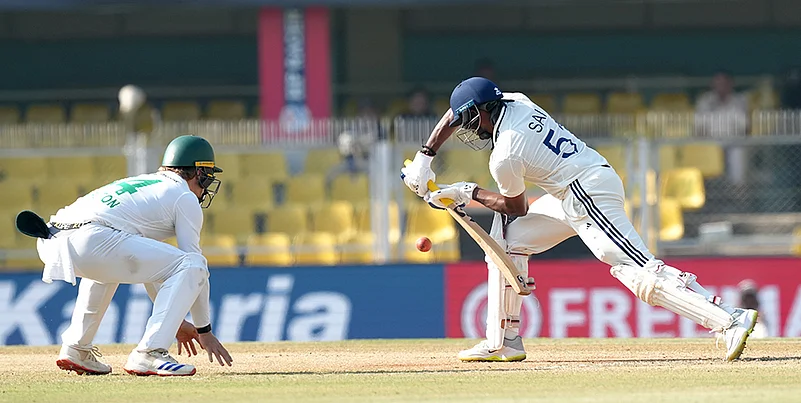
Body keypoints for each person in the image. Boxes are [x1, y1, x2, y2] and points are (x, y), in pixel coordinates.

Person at [401, 77, 758, 362]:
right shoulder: (516, 100)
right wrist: (425, 156)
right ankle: (504, 340)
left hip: (587, 192)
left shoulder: (505, 154)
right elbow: (455, 112)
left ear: (482, 112)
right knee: (506, 241)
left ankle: (728, 319)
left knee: (636, 272)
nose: (465, 128)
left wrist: (467, 193)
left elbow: (516, 206)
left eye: (469, 120)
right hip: (571, 192)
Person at [22, 135, 232, 376]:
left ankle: (76, 348)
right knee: (194, 263)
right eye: (207, 177)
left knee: (106, 270)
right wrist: (204, 331)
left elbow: (153, 269)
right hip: (91, 238)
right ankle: (150, 353)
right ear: (199, 173)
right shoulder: (184, 196)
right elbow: (194, 268)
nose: (206, 186)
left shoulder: (148, 184)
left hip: (51, 237)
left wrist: (175, 322)